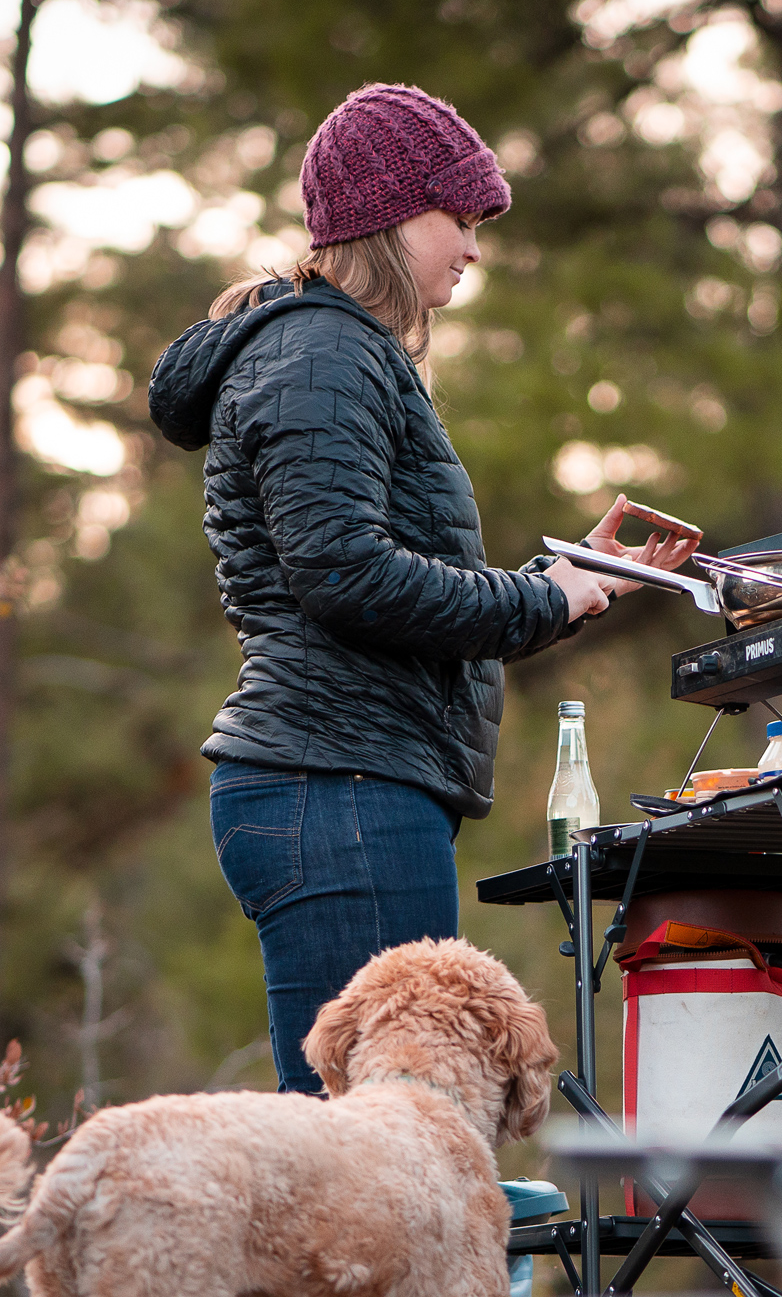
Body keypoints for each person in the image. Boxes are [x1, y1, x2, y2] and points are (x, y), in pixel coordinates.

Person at [147, 83, 696, 1094]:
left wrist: (559, 585)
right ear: (390, 216)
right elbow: (342, 574)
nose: (474, 248)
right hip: (335, 784)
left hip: (349, 779)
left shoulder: (334, 353)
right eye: (460, 218)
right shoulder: (319, 352)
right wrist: (535, 603)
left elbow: (363, 568)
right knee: (375, 1155)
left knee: (371, 1153)